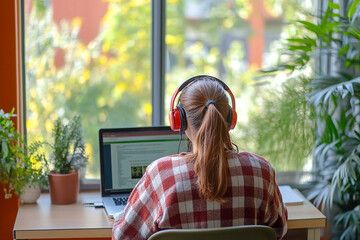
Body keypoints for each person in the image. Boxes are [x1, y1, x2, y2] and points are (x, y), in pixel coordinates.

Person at [112, 75, 288, 240]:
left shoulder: (161, 174)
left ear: (179, 120)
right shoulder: (262, 171)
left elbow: (123, 236)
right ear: (230, 119)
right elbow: (279, 229)